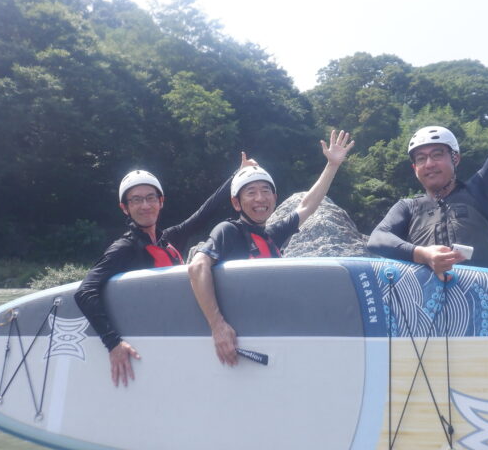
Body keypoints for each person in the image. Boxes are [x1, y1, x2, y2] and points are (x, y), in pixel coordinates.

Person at [75, 153, 257, 387]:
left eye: (151, 198)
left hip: (182, 334)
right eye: (136, 200)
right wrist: (113, 344)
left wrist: (237, 175)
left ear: (161, 202)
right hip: (156, 342)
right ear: (125, 207)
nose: (145, 205)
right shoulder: (125, 248)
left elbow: (204, 214)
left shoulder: (167, 239)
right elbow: (85, 292)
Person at [188, 130, 354, 366]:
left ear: (275, 198)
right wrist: (217, 326)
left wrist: (332, 165)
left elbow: (307, 206)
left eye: (266, 191)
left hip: (270, 332)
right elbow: (197, 267)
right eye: (251, 192)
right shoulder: (229, 231)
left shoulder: (272, 235)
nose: (260, 199)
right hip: (241, 339)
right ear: (236, 202)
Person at [367, 49, 488, 277]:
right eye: (421, 159)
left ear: (455, 159)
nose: (429, 163)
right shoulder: (407, 208)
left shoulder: (480, 191)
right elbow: (377, 239)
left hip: (484, 302)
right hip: (430, 308)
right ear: (415, 169)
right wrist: (423, 254)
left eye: (437, 154)